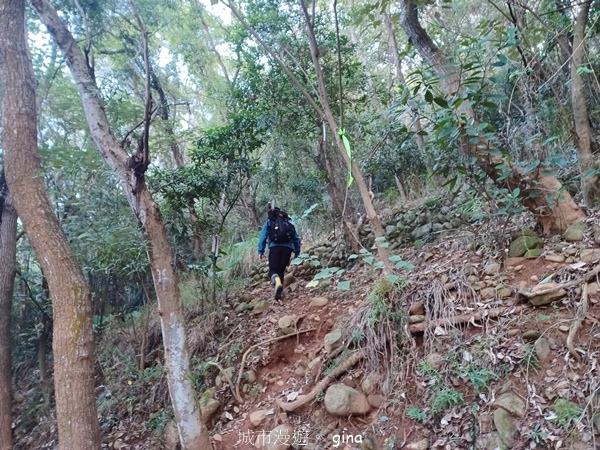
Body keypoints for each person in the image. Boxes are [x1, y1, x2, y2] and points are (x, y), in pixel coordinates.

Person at [258, 207, 301, 299]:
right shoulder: (288, 222)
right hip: (287, 249)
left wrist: (260, 251)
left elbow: (263, 237)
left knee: (272, 271)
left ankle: (277, 284)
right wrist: (297, 252)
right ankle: (279, 293)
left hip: (275, 248)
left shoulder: (269, 222)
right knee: (281, 271)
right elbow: (296, 238)